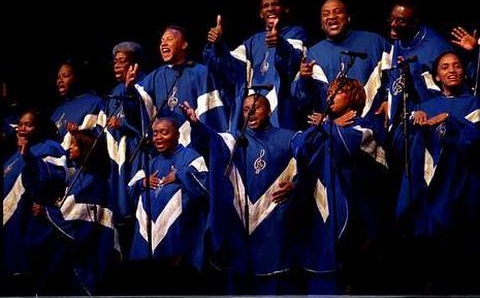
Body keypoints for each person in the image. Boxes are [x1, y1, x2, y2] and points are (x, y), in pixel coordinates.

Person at [181, 93, 301, 295]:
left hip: (275, 227)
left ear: (269, 110)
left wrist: (295, 184)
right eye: (246, 109)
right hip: (241, 232)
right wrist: (196, 124)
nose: (251, 112)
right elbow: (211, 139)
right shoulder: (234, 139)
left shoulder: (289, 137)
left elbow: (310, 159)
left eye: (257, 107)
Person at [392, 52, 480, 294]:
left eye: (457, 65)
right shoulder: (423, 106)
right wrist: (411, 122)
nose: (451, 70)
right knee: (424, 260)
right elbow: (399, 147)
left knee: (457, 262)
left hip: (459, 186)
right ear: (437, 76)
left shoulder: (474, 103)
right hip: (426, 191)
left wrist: (450, 120)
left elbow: (474, 140)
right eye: (444, 67)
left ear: (464, 71)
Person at [293, 77, 388, 294]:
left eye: (338, 91)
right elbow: (298, 146)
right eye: (329, 92)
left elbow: (350, 148)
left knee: (352, 280)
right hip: (321, 213)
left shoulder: (366, 126)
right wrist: (327, 126)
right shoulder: (324, 127)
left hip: (357, 212)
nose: (330, 95)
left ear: (353, 97)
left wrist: (328, 127)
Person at [204, 0, 307, 131]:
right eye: (266, 6)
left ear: (285, 9)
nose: (270, 8)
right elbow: (232, 69)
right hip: (252, 113)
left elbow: (292, 65)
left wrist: (281, 44)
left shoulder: (296, 32)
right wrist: (218, 45)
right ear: (261, 13)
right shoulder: (252, 42)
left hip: (280, 110)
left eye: (275, 4)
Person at [127, 117, 209, 295]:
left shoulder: (191, 156)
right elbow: (129, 192)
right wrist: (143, 183)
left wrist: (180, 175)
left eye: (164, 132)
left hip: (182, 241)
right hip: (151, 245)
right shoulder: (151, 163)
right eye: (155, 133)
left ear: (177, 135)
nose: (158, 138)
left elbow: (205, 187)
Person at [32, 129, 119, 295]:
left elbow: (82, 227)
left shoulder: (94, 182)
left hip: (84, 260)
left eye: (74, 144)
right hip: (64, 255)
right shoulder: (74, 177)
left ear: (86, 148)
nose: (69, 147)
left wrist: (47, 214)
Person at [291, 0, 392, 130]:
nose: (332, 16)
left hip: (372, 128)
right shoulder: (313, 55)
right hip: (333, 133)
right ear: (321, 23)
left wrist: (388, 100)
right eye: (326, 14)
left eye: (337, 12)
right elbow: (302, 104)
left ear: (348, 17)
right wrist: (303, 79)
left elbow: (395, 75)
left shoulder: (375, 42)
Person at [126, 25, 228, 147]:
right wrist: (130, 89)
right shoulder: (154, 77)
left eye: (169, 39)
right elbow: (138, 109)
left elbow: (211, 114)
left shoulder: (201, 73)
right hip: (165, 149)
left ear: (184, 44)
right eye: (161, 41)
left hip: (195, 146)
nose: (163, 44)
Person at [2, 108, 67, 295]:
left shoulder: (50, 148)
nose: (22, 129)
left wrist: (28, 158)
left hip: (31, 227)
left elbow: (50, 179)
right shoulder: (13, 157)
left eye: (28, 125)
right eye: (20, 124)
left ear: (39, 127)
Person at [97, 41, 147, 252]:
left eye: (122, 61)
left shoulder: (144, 84)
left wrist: (123, 125)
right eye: (115, 62)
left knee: (133, 207)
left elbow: (148, 125)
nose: (117, 66)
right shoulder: (114, 91)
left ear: (134, 64)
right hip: (115, 159)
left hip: (136, 156)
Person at [385, 0, 453, 131]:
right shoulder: (400, 39)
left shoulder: (436, 48)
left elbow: (451, 91)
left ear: (414, 23)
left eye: (400, 21)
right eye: (391, 18)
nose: (393, 24)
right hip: (410, 113)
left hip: (436, 116)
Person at [50, 59, 102, 150]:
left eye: (65, 76)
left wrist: (76, 133)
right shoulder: (57, 110)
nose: (60, 81)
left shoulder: (93, 102)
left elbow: (97, 140)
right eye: (58, 77)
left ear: (77, 77)